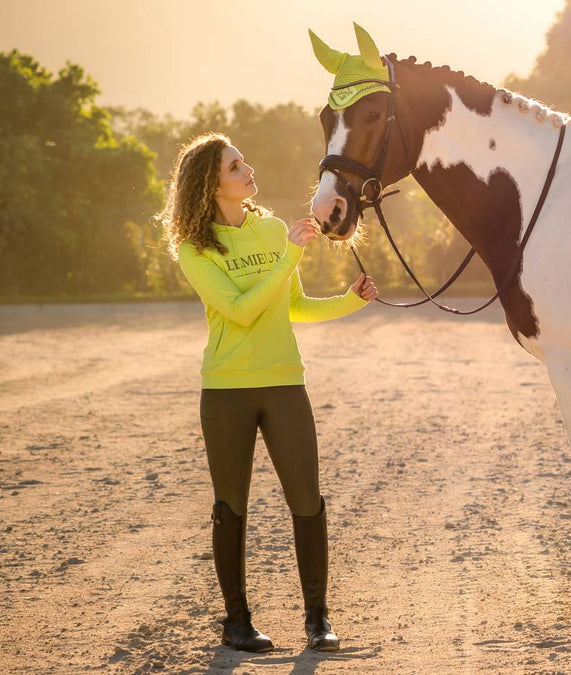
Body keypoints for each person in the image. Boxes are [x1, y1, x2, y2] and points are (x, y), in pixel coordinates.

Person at [157, 132, 378, 653]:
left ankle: (317, 618)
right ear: (211, 184)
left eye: (244, 160)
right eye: (236, 166)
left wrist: (351, 301)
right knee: (230, 506)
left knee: (308, 499)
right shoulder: (194, 248)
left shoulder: (274, 230)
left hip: (284, 382)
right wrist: (289, 257)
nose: (248, 169)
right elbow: (240, 309)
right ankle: (237, 621)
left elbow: (292, 306)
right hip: (228, 390)